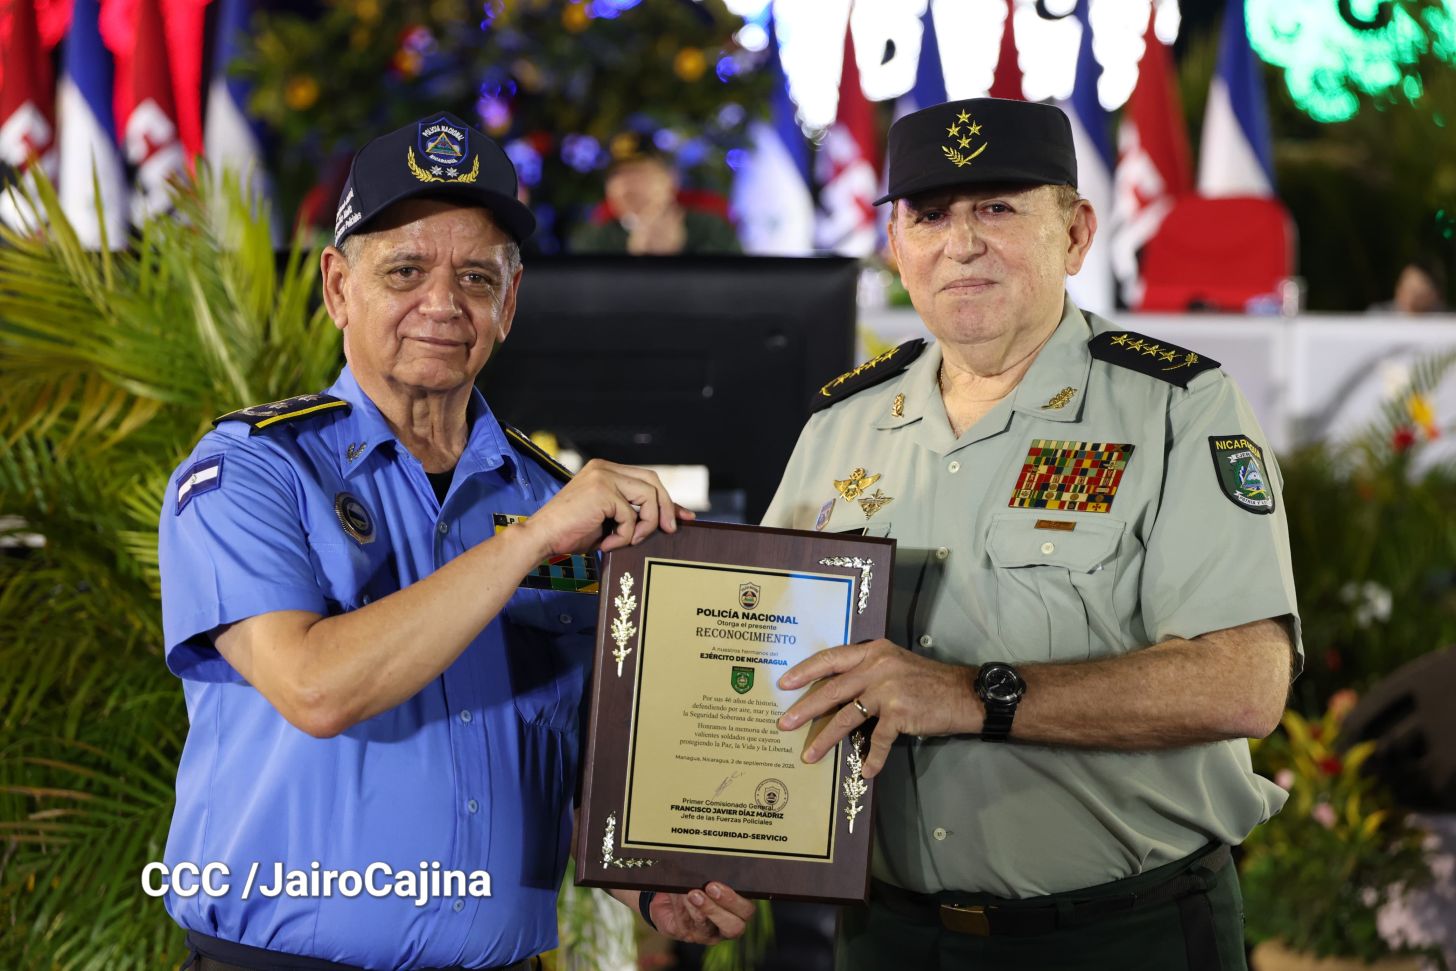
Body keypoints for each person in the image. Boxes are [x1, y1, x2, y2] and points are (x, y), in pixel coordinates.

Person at [157, 111, 753, 971]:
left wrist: (648, 880)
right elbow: (315, 686)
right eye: (404, 270)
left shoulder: (551, 496)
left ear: (508, 305)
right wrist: (527, 544)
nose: (442, 303)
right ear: (337, 288)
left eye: (477, 278)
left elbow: (576, 752)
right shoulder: (250, 474)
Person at [762, 98, 1301, 970]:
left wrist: (973, 695)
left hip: (1118, 937)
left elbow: (1245, 683)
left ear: (1078, 234)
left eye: (999, 208)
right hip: (890, 939)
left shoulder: (1176, 408)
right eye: (929, 215)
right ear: (896, 244)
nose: (961, 242)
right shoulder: (839, 426)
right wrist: (698, 851)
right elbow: (763, 661)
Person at [568, 145, 740, 255]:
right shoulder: (593, 239)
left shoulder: (710, 228)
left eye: (640, 174)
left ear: (671, 180)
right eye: (617, 175)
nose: (626, 186)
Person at [1369, 257, 1448, 314]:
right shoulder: (1378, 316)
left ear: (1435, 294)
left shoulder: (1447, 321)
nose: (1410, 298)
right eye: (1406, 289)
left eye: (1416, 292)